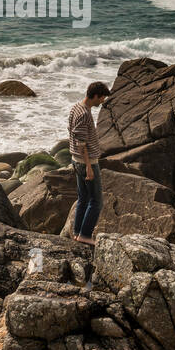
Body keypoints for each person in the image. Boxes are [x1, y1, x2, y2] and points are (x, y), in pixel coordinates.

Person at [67, 81, 110, 244]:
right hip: (86, 162)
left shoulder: (76, 107)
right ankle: (85, 235)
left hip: (75, 160)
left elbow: (71, 131)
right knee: (97, 201)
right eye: (102, 98)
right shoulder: (84, 113)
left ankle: (78, 233)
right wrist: (89, 167)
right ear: (96, 96)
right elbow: (81, 142)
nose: (103, 101)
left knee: (83, 198)